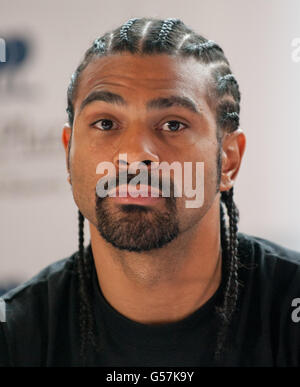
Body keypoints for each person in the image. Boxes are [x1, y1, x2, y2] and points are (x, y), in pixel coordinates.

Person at [1, 17, 300, 367]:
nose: (134, 154)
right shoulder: (15, 336)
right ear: (69, 153)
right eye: (106, 124)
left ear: (228, 160)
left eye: (173, 124)